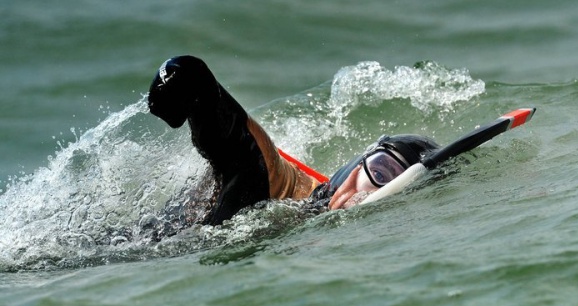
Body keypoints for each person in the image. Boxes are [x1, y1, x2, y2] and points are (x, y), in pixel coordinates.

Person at [148, 55, 439, 225]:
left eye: (388, 184)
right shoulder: (276, 180)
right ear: (357, 164)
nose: (372, 190)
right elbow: (202, 88)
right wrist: (182, 73)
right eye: (380, 170)